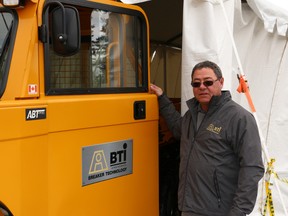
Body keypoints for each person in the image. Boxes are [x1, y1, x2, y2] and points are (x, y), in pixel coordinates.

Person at [150, 60, 264, 216]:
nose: (202, 87)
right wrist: (162, 98)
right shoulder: (192, 115)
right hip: (189, 207)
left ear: (221, 82)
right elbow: (178, 129)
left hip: (219, 210)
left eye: (208, 82)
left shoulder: (239, 118)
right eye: (196, 84)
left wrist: (238, 211)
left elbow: (252, 167)